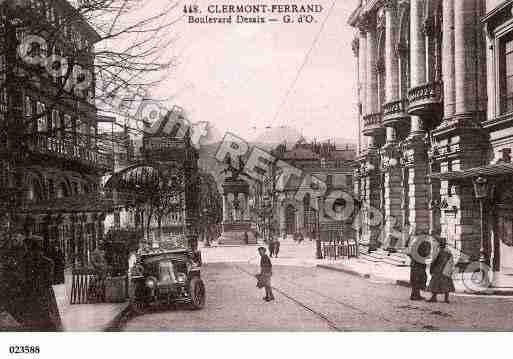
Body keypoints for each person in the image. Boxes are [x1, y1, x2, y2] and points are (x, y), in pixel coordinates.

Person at [21, 235, 62, 331]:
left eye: (29, 248)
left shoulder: (31, 262)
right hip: (40, 294)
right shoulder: (47, 262)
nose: (28, 251)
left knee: (41, 321)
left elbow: (47, 280)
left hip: (38, 294)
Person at [427, 238, 455, 303]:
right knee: (445, 283)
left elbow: (434, 260)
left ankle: (434, 297)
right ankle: (445, 298)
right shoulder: (448, 251)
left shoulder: (438, 251)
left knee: (436, 283)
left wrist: (431, 268)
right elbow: (451, 262)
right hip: (444, 269)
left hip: (439, 269)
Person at [408, 236, 431, 301]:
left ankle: (415, 295)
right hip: (418, 265)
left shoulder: (415, 243)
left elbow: (409, 253)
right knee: (417, 280)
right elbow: (426, 254)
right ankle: (415, 295)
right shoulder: (421, 245)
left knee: (417, 280)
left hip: (417, 264)